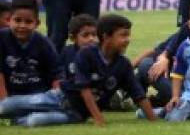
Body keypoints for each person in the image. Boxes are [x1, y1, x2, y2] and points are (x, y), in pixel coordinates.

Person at [0, 14, 157, 127]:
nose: (127, 40)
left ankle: (16, 121)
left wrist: (153, 121)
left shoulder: (123, 65)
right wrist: (99, 119)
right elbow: (85, 90)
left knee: (34, 121)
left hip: (77, 114)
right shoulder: (86, 54)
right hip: (60, 98)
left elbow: (139, 96)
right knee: (5, 107)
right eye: (123, 35)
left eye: (128, 35)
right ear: (106, 36)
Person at [0, 0, 61, 101]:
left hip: (38, 97)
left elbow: (56, 74)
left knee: (38, 118)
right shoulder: (2, 38)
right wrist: (4, 101)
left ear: (37, 23)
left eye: (28, 22)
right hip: (9, 95)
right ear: (9, 20)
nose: (22, 25)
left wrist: (58, 98)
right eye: (18, 20)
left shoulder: (44, 43)